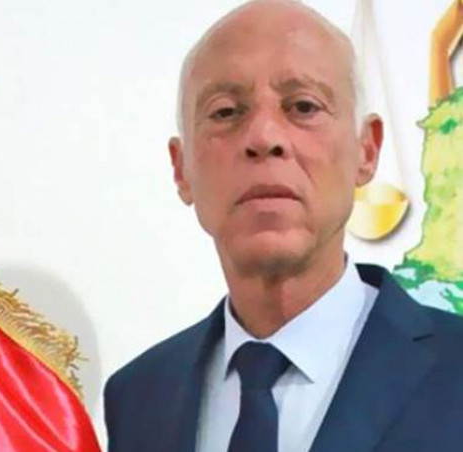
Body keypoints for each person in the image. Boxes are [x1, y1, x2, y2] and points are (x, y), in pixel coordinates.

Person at [104, 1, 463, 451]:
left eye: (303, 106)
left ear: (367, 151)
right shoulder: (138, 398)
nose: (263, 137)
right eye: (226, 112)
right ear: (181, 169)